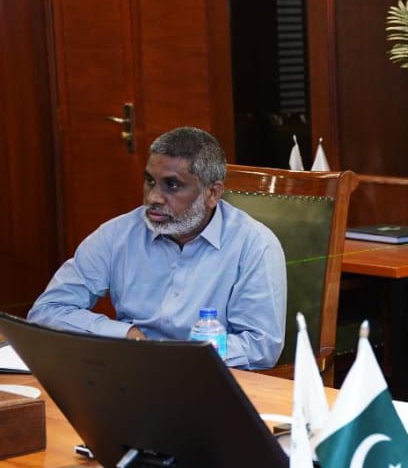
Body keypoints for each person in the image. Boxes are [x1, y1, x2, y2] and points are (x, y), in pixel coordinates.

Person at [28, 127, 286, 369]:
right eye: (150, 181)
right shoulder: (117, 235)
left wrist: (174, 358)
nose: (153, 198)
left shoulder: (254, 245)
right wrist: (126, 335)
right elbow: (47, 311)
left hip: (209, 378)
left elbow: (260, 346)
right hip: (128, 371)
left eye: (172, 185)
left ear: (212, 194)